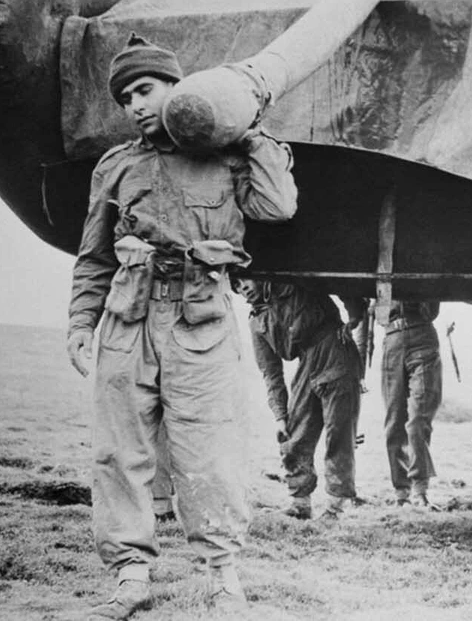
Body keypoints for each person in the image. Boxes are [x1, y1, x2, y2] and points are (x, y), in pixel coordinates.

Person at [66, 33, 298, 620]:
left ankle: (222, 576)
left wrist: (245, 131)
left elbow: (278, 207)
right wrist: (80, 322)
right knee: (120, 451)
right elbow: (94, 255)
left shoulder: (228, 157)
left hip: (201, 318)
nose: (136, 105)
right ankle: (131, 576)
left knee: (210, 448)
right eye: (126, 98)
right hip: (129, 317)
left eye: (146, 90)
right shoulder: (117, 167)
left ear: (178, 90)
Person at [241, 279, 363, 520]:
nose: (241, 287)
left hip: (334, 348)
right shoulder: (256, 323)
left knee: (338, 433)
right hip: (307, 362)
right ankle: (300, 504)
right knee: (293, 435)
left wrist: (354, 313)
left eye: (244, 279)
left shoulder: (294, 283)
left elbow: (340, 279)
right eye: (235, 284)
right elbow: (271, 373)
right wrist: (280, 416)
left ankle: (335, 508)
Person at [381, 298, 443, 508]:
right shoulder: (380, 274)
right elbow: (364, 322)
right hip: (391, 342)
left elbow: (431, 309)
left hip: (422, 336)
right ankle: (401, 493)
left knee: (418, 420)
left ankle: (420, 491)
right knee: (394, 423)